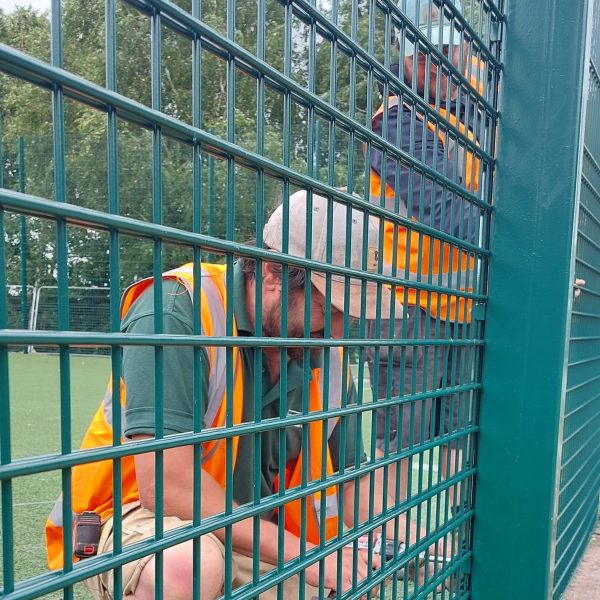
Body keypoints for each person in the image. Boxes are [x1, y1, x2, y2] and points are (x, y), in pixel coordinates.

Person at [44, 190, 419, 600]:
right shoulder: (177, 310)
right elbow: (167, 485)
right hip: (142, 519)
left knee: (353, 582)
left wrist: (412, 534)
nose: (340, 330)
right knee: (187, 568)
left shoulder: (321, 351)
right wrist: (312, 558)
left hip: (250, 534)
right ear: (274, 273)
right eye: (330, 308)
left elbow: (350, 482)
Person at [366, 0, 485, 509]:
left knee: (464, 437)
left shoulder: (474, 107)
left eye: (448, 49)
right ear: (407, 55)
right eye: (423, 53)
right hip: (406, 311)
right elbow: (451, 216)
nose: (437, 62)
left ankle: (459, 539)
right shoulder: (397, 121)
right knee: (398, 441)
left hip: (466, 307)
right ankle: (388, 538)